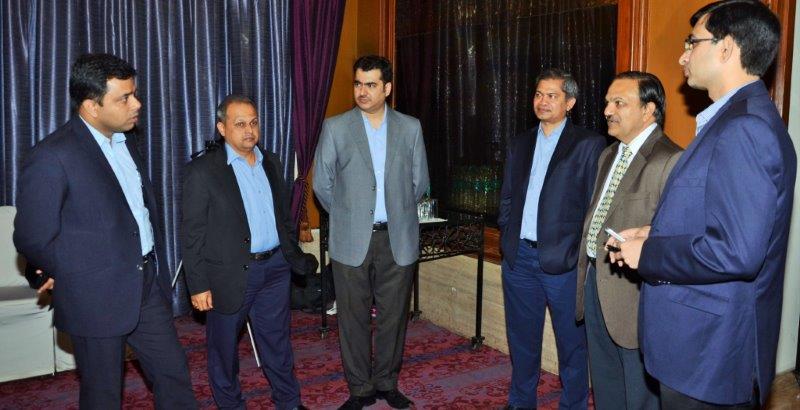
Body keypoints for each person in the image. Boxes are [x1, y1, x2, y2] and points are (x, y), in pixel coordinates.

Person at [607, 1, 796, 407]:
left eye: (692, 43)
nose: (682, 56)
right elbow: (718, 219)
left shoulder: (745, 128)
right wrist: (654, 233)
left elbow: (736, 252)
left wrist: (649, 253)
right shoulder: (734, 120)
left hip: (708, 355)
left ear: (726, 48)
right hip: (699, 349)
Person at [13, 53, 197, 409]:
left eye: (135, 94)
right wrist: (71, 272)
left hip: (145, 284)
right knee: (103, 394)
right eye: (124, 98)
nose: (137, 104)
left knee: (173, 374)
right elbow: (32, 236)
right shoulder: (52, 156)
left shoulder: (126, 141)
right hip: (95, 296)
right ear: (91, 106)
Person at [181, 95, 316, 410]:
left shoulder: (271, 161)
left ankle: (289, 402)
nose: (249, 130)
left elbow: (283, 216)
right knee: (224, 350)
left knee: (277, 342)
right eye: (240, 124)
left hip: (275, 268)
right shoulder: (202, 171)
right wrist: (198, 285)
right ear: (221, 128)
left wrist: (289, 252)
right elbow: (192, 234)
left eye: (254, 122)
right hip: (228, 275)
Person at [313, 55, 429, 410]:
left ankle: (387, 383)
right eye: (358, 84)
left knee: (394, 317)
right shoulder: (336, 127)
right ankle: (360, 388)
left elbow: (419, 183)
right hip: (351, 240)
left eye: (371, 85)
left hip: (398, 239)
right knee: (353, 318)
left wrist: (395, 213)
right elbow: (321, 184)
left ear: (387, 88)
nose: (362, 91)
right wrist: (349, 216)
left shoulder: (410, 128)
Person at [497, 68, 605, 410]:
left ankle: (573, 405)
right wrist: (507, 238)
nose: (542, 101)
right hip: (519, 260)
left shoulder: (588, 144)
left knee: (572, 345)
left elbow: (593, 207)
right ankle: (521, 402)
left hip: (564, 264)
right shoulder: (520, 143)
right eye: (538, 94)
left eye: (552, 96)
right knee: (521, 340)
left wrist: (578, 257)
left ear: (569, 102)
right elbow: (508, 197)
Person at [575, 71, 682, 410]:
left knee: (639, 397)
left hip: (636, 298)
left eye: (619, 103)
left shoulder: (670, 159)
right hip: (596, 282)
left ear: (649, 110)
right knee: (606, 388)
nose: (607, 110)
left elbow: (673, 237)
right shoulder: (609, 155)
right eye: (608, 102)